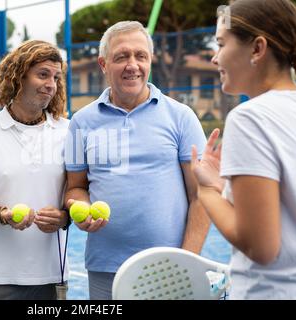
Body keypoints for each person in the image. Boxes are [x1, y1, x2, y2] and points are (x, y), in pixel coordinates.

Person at [64, 21, 209, 300]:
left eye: (140, 56)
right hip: (105, 269)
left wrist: (186, 262)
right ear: (103, 64)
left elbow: (200, 195)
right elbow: (75, 187)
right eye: (122, 57)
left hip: (169, 268)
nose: (133, 65)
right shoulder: (79, 123)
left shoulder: (182, 117)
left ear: (150, 61)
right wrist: (80, 207)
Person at [191, 0, 296, 299]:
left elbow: (260, 248)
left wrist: (207, 192)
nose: (214, 58)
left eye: (221, 44)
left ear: (257, 49)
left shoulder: (251, 117)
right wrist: (222, 186)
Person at [0, 40, 70, 300]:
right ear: (18, 77)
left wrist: (65, 216)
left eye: (56, 77)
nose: (51, 84)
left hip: (53, 277)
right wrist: (1, 214)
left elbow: (77, 191)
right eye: (42, 74)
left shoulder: (68, 132)